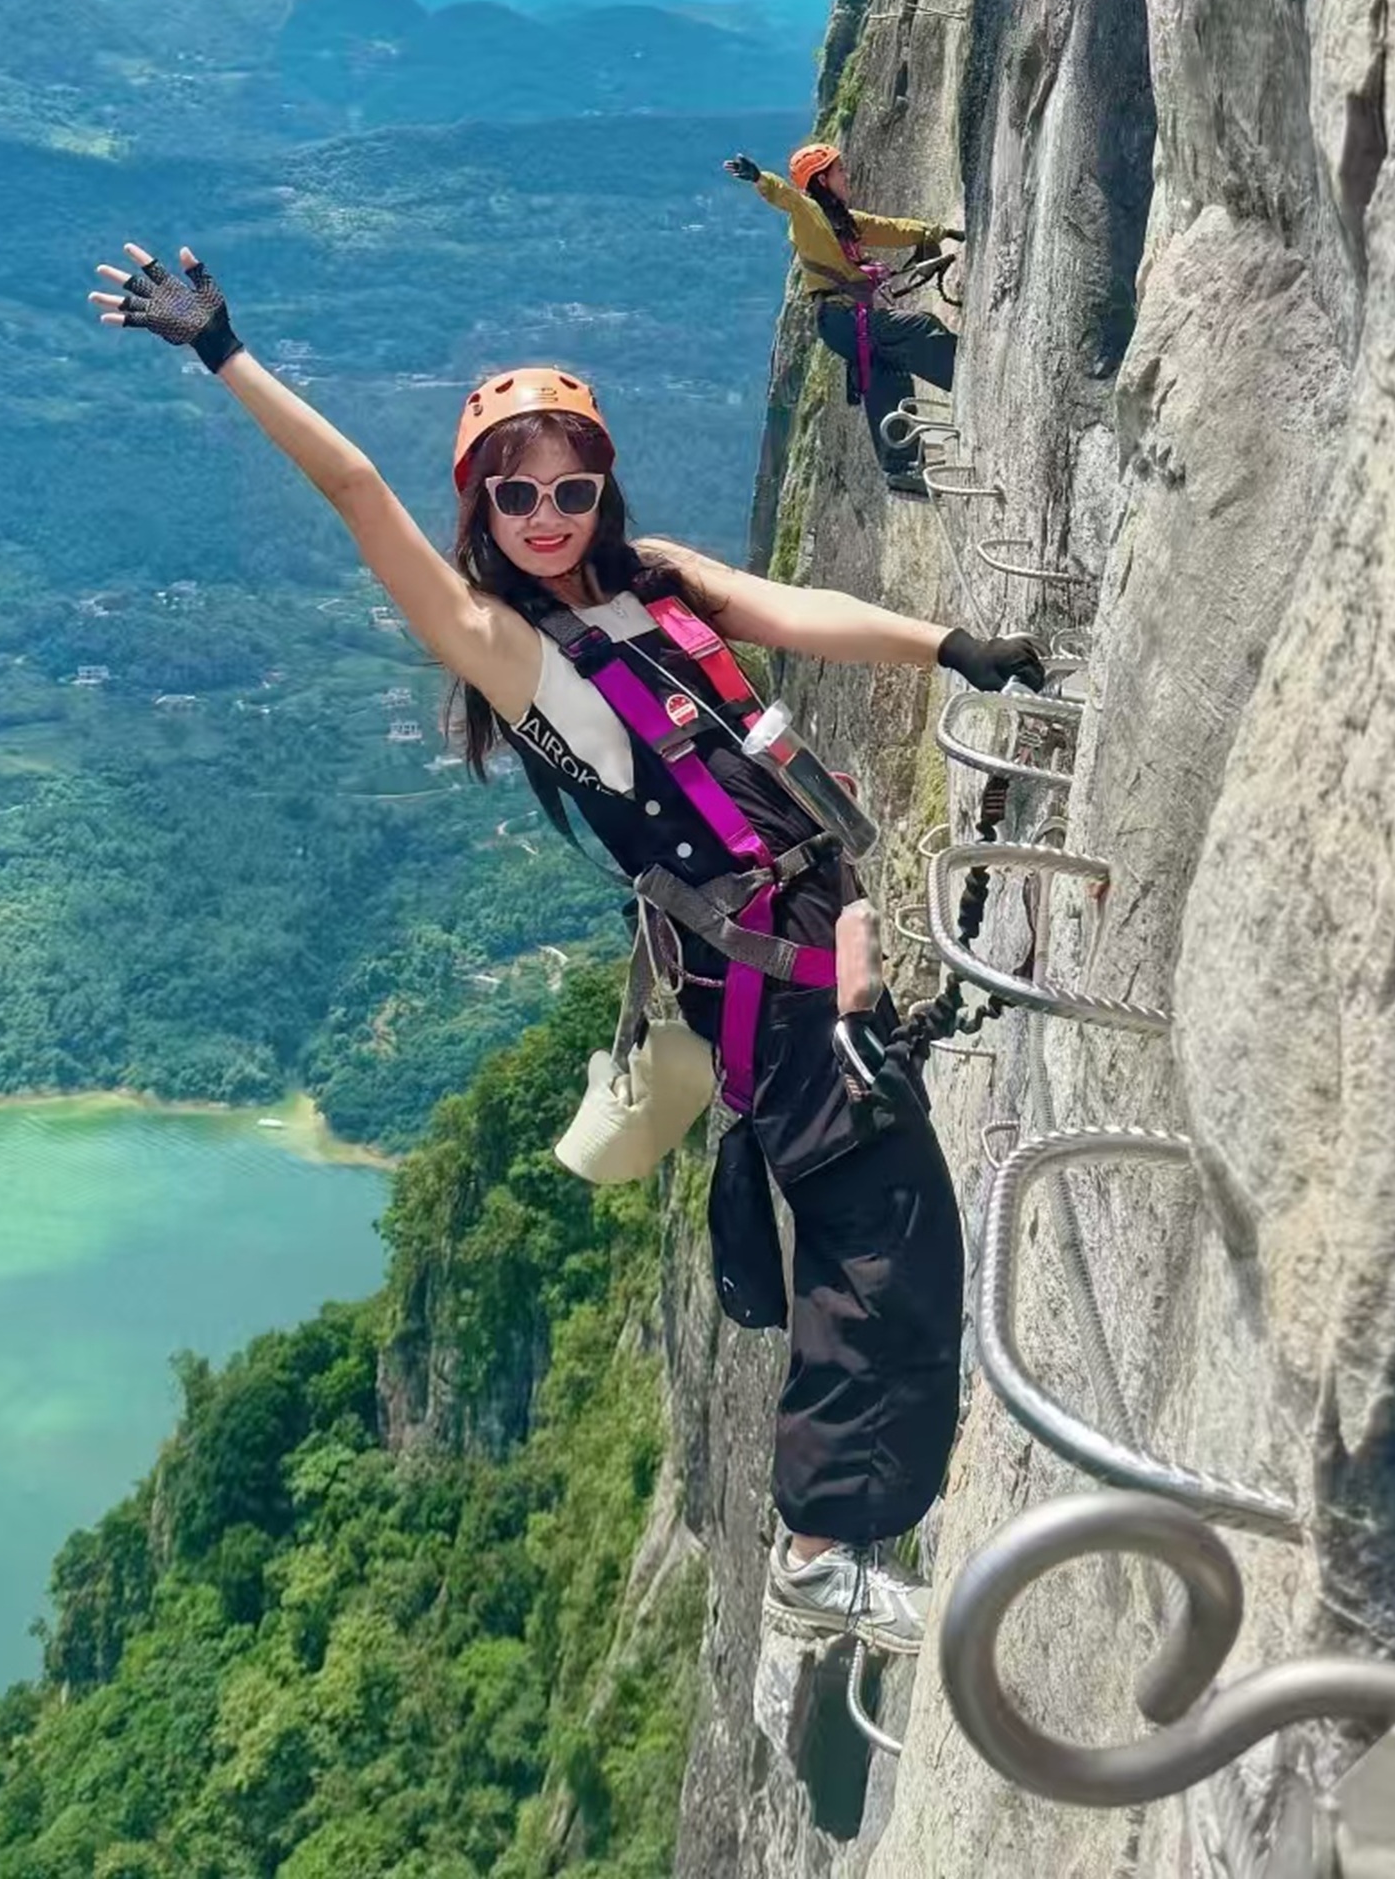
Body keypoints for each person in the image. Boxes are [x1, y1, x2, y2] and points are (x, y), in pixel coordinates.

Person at [88, 242, 1044, 1651]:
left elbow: (797, 614)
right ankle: (821, 1548)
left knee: (892, 1230)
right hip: (764, 980)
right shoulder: (504, 645)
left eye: (570, 488)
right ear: (481, 505)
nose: (545, 516)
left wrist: (951, 645)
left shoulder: (656, 583)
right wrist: (224, 350)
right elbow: (356, 492)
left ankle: (837, 1535)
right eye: (515, 493)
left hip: (809, 947)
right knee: (878, 1240)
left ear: (604, 489)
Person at [725, 142, 962, 497]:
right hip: (842, 319)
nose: (846, 176)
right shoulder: (810, 214)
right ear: (821, 179)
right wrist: (760, 178)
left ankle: (901, 468)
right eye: (839, 171)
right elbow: (787, 198)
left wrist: (934, 231)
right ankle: (969, 376)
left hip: (845, 323)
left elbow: (887, 227)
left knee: (887, 372)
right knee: (919, 329)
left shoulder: (843, 222)